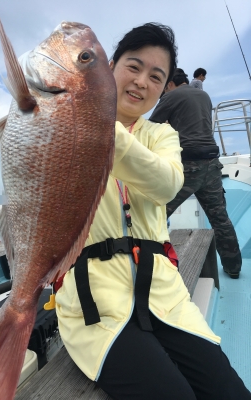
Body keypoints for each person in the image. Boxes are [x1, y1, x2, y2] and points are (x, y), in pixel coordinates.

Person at [56, 24, 250, 399]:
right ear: (108, 67)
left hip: (165, 294)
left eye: (155, 76)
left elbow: (166, 184)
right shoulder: (67, 125)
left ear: (164, 89)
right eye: (134, 66)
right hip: (97, 301)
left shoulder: (162, 136)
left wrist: (102, 125)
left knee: (230, 392)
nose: (142, 81)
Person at [150, 71, 242, 279]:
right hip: (212, 165)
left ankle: (151, 269)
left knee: (156, 214)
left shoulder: (170, 96)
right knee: (220, 218)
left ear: (170, 84)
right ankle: (233, 267)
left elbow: (151, 127)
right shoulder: (204, 95)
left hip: (187, 166)